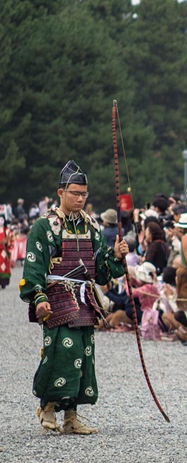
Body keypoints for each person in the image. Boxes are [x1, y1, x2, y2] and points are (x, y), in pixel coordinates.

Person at [20, 161, 130, 434]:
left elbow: (101, 269)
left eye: (84, 194)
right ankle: (47, 408)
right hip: (56, 296)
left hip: (84, 298)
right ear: (61, 192)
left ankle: (71, 416)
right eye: (75, 193)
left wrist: (115, 255)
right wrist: (38, 296)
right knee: (59, 351)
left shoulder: (91, 226)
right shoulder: (44, 226)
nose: (80, 199)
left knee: (83, 354)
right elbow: (33, 266)